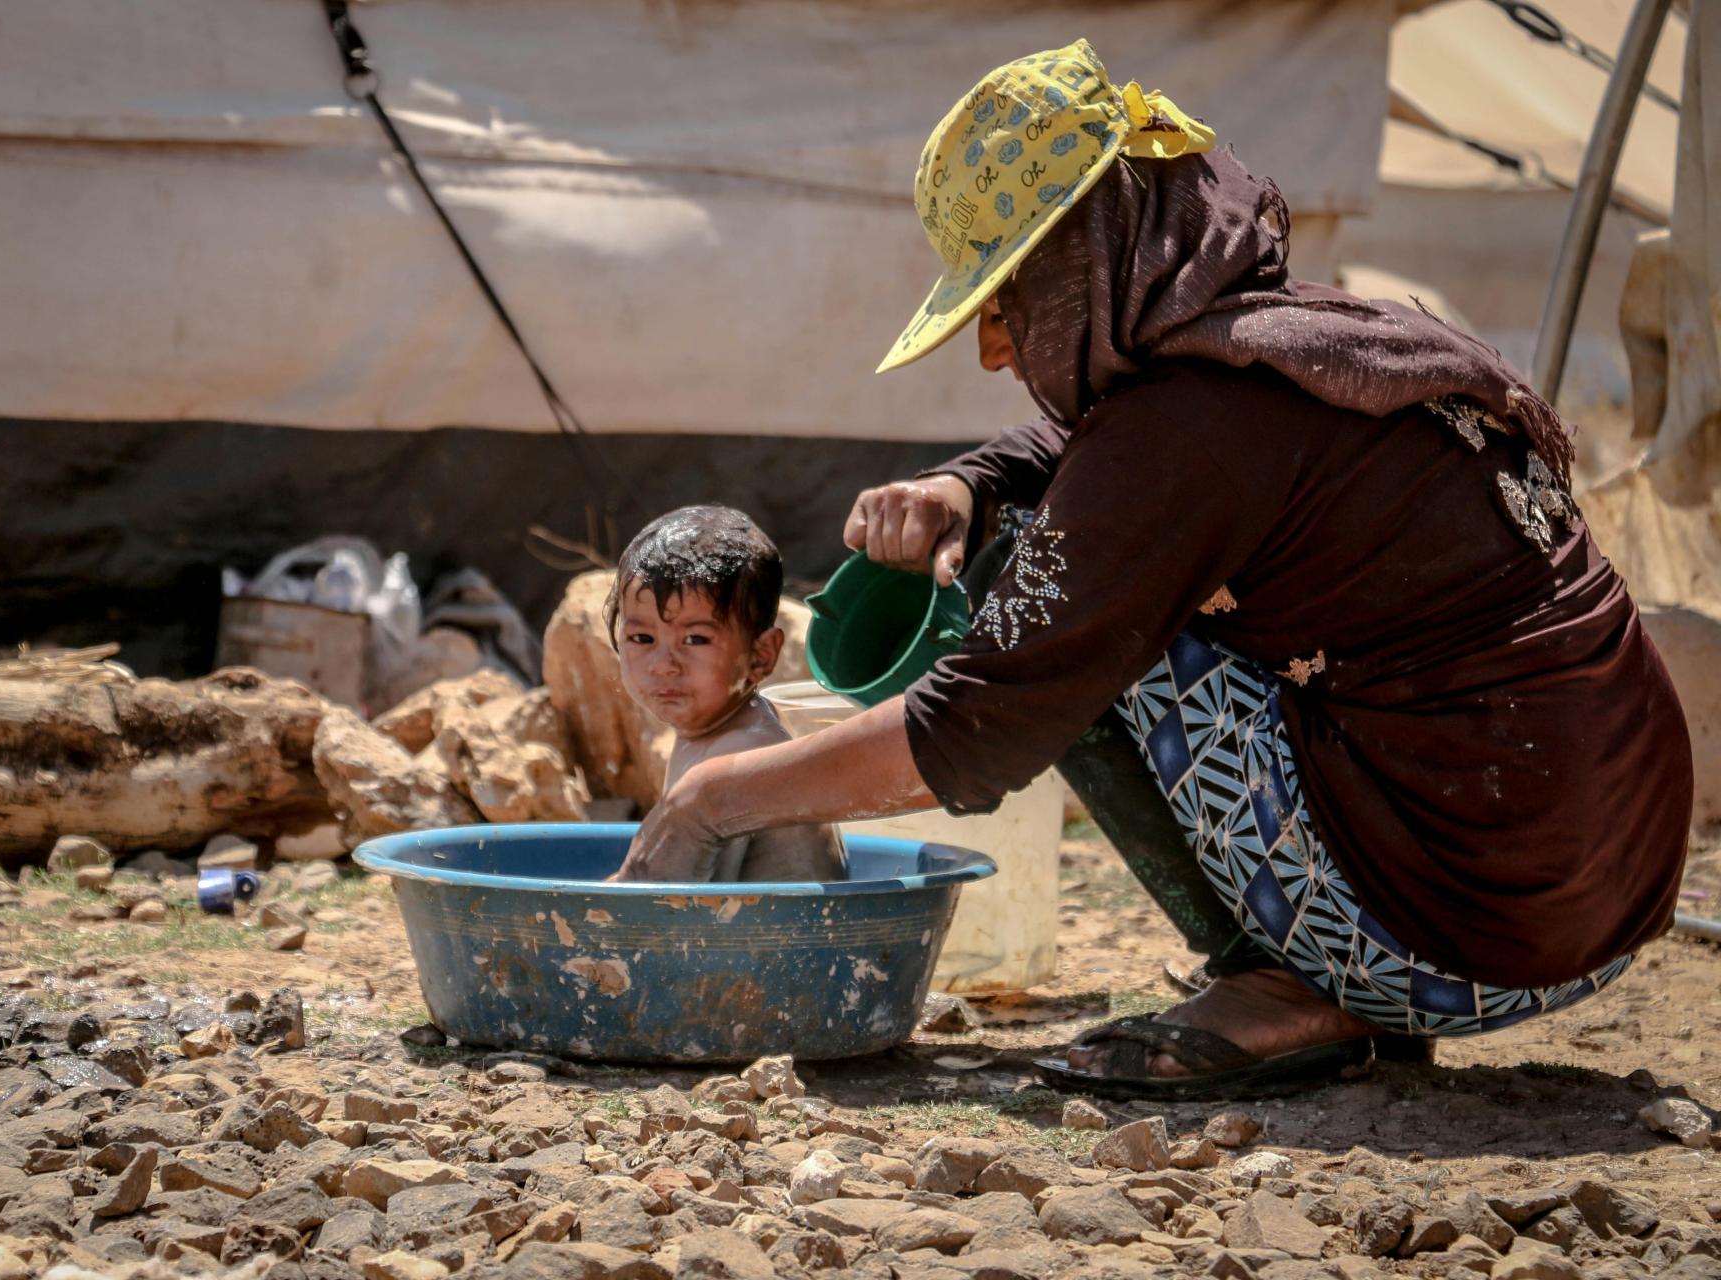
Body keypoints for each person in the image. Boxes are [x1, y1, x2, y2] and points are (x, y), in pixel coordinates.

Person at [613, 40, 1694, 1096]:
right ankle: (1316, 968)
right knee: (1065, 548)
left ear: (1090, 260)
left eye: (1005, 299)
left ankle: (1294, 985)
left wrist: (713, 798)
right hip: (1604, 892)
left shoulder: (1189, 430)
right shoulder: (1304, 343)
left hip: (1469, 927)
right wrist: (973, 482)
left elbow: (981, 719)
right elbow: (1126, 455)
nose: (994, 349)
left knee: (1047, 596)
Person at [606, 505, 846, 883]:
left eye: (696, 639)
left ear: (760, 656)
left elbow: (663, 903)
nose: (663, 664)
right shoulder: (720, 735)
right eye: (642, 638)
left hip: (783, 939)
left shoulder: (743, 754)